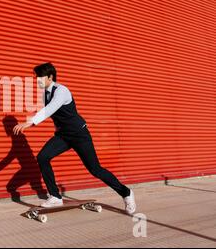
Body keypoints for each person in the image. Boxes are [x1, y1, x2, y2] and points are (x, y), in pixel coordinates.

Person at [13, 62, 136, 214]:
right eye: (36, 77)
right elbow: (53, 114)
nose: (37, 80)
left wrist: (30, 122)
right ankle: (55, 196)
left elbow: (51, 108)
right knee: (43, 157)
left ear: (50, 77)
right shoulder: (44, 94)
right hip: (63, 136)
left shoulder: (62, 90)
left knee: (95, 169)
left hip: (79, 134)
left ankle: (126, 193)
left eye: (40, 77)